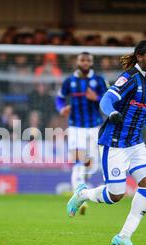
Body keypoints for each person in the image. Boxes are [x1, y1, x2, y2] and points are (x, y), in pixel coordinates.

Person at [66, 40, 146, 245]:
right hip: (114, 143)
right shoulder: (128, 78)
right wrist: (112, 113)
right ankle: (83, 194)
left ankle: (123, 237)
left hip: (136, 145)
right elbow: (105, 100)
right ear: (140, 58)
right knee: (115, 195)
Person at [55, 52, 108, 215]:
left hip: (94, 127)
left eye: (88, 60)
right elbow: (59, 98)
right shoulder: (69, 81)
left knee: (89, 164)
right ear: (77, 62)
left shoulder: (99, 80)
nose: (85, 63)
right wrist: (61, 108)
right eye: (82, 60)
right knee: (79, 160)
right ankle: (77, 195)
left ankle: (80, 195)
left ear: (92, 63)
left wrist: (97, 98)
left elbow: (109, 100)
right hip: (75, 126)